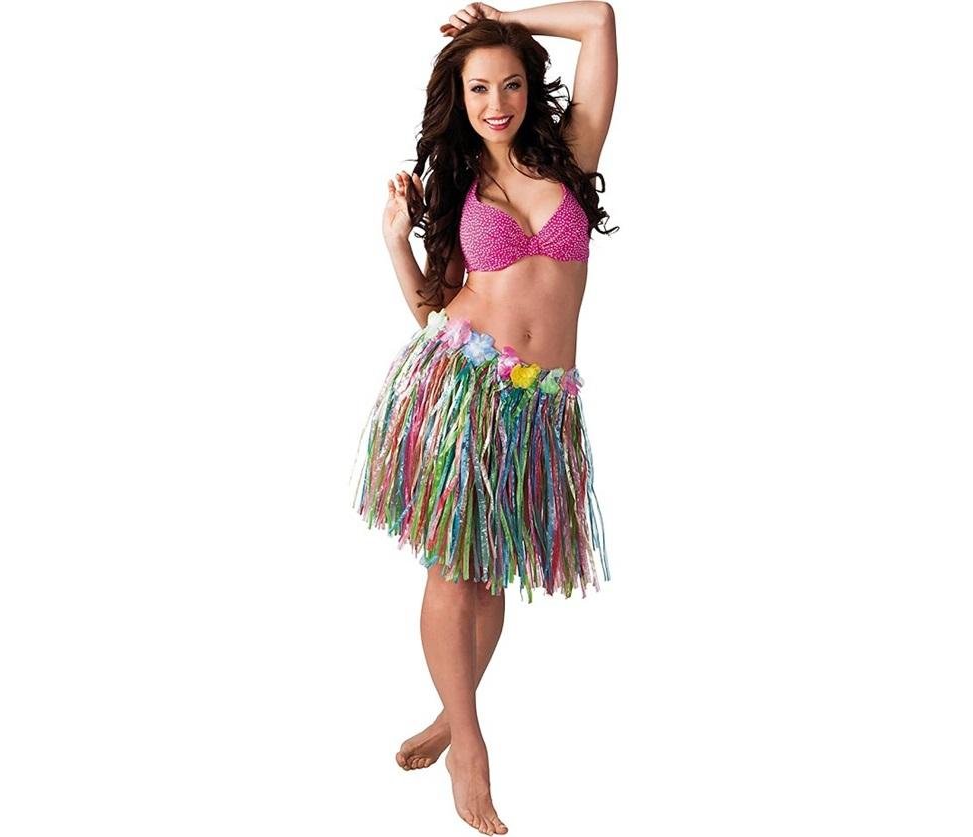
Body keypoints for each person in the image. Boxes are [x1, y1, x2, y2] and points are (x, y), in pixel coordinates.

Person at [350, 3, 618, 833]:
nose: (495, 102)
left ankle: (449, 710)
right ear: (458, 97)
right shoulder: (460, 185)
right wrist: (396, 241)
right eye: (477, 88)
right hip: (462, 386)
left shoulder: (571, 156)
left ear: (529, 86)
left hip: (540, 407)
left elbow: (599, 20)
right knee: (452, 571)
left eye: (508, 84)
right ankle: (468, 746)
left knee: (490, 572)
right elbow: (431, 306)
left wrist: (502, 18)